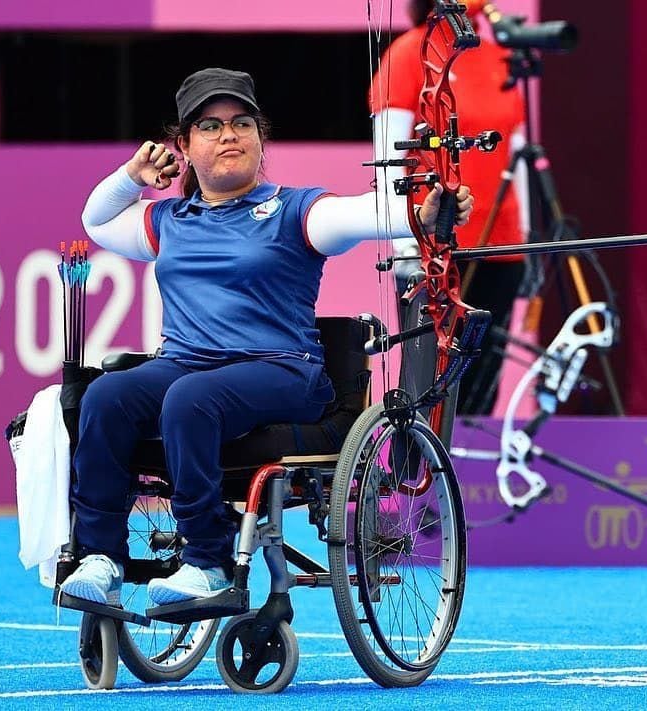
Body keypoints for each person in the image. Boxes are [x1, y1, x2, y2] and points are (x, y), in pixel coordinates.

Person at [58, 67, 473, 606]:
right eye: (209, 126)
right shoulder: (170, 219)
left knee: (190, 399)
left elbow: (360, 214)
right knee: (107, 396)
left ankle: (207, 561)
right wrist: (132, 174)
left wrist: (422, 213)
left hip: (282, 370)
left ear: (260, 136)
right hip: (187, 363)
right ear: (183, 145)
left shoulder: (297, 211)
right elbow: (97, 220)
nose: (228, 135)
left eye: (241, 123)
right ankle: (101, 557)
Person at [369, 0, 528, 415]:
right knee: (433, 379)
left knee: (481, 381)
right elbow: (389, 157)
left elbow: (517, 152)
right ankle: (422, 472)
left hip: (501, 243)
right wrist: (404, 242)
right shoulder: (408, 52)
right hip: (435, 245)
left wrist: (526, 237)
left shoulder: (502, 59)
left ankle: (472, 476)